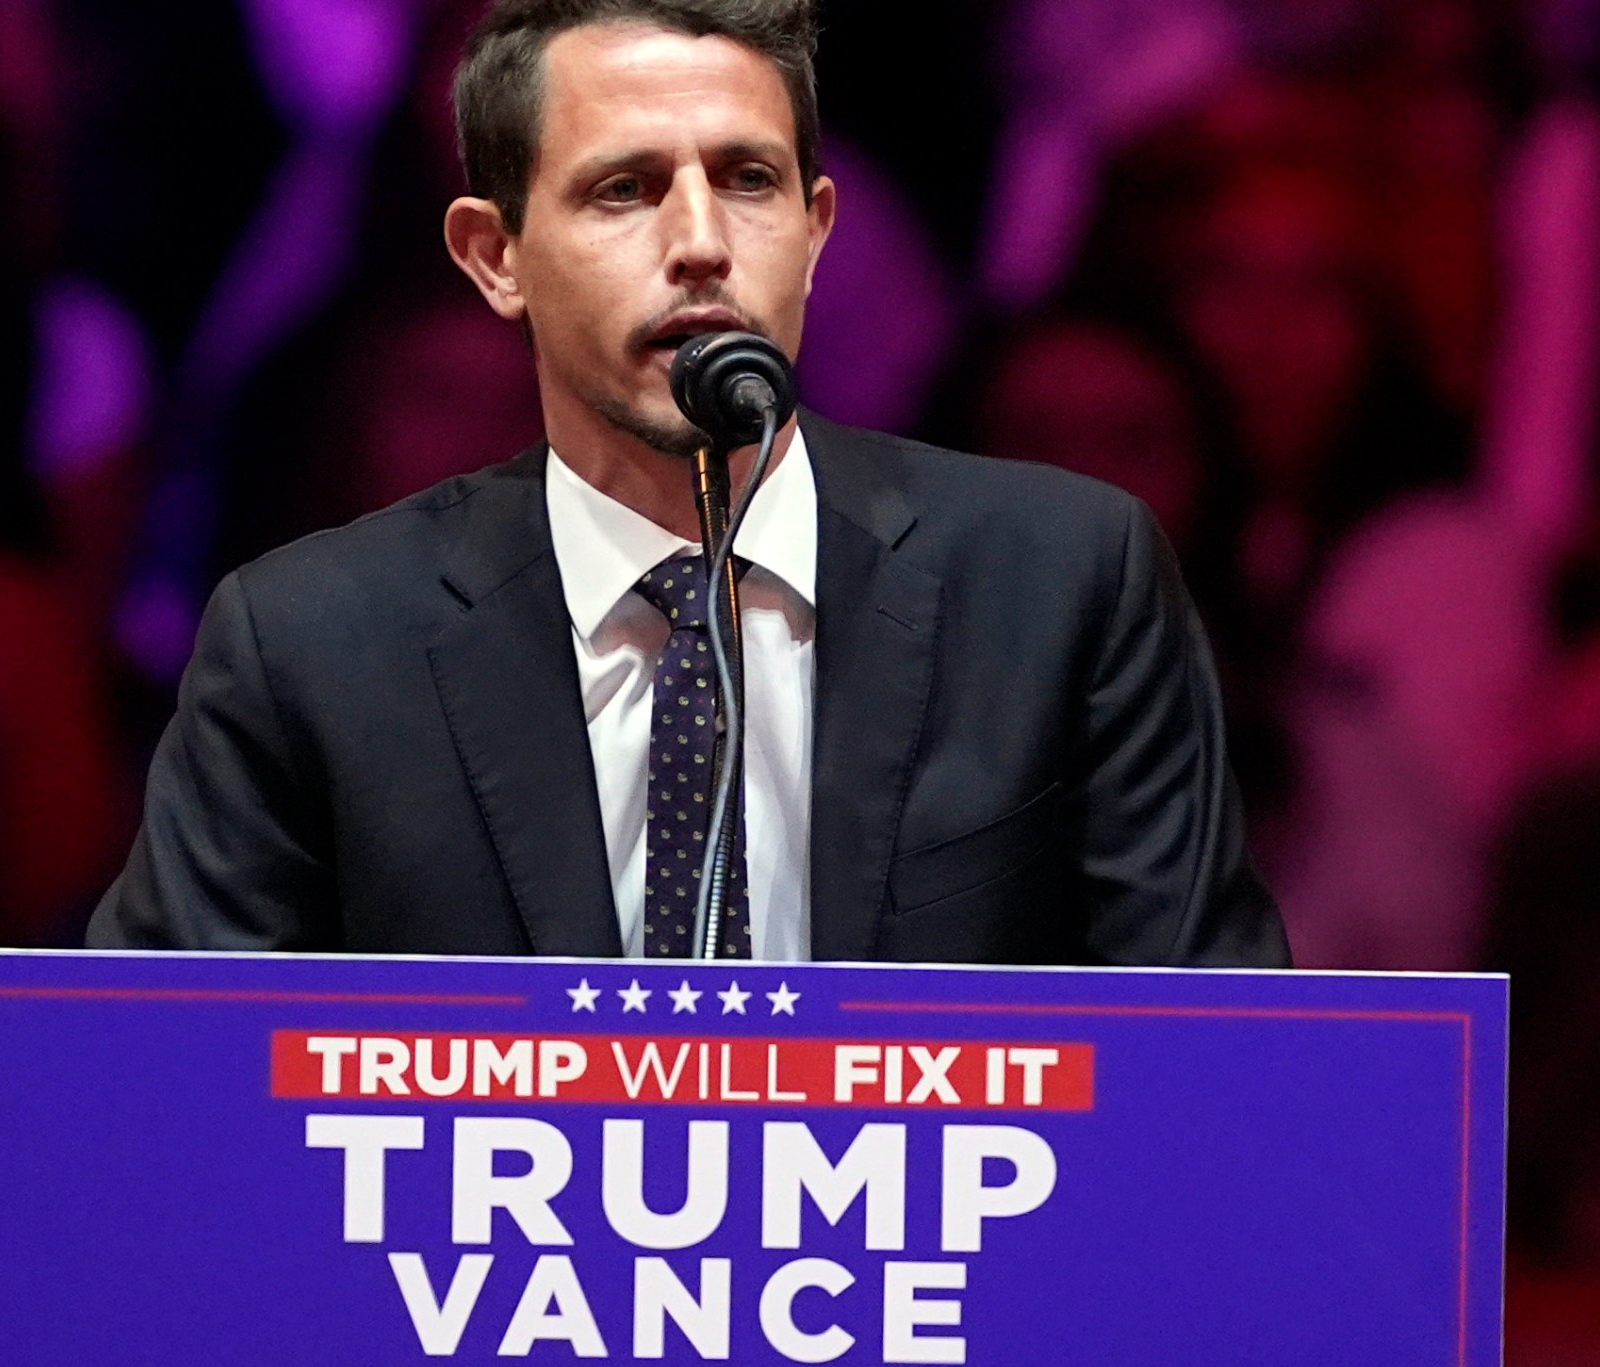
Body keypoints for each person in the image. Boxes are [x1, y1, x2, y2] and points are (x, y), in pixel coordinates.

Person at [90, 0, 1288, 968]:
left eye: (749, 182)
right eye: (623, 189)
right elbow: (163, 1101)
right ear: (494, 257)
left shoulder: (1061, 589)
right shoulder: (311, 642)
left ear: (819, 233)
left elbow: (1224, 1085)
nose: (700, 242)